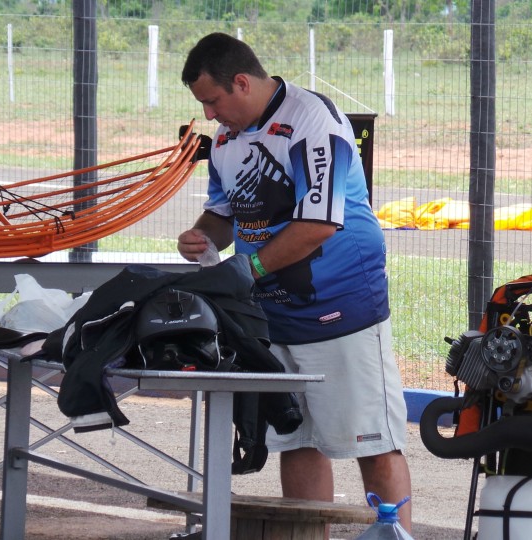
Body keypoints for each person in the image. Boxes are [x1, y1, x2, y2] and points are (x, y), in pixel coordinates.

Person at [176, 32, 413, 533]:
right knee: (295, 438)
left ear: (241, 82)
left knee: (372, 443)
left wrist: (249, 270)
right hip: (270, 316)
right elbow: (223, 213)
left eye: (213, 101)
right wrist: (201, 237)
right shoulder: (226, 139)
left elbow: (320, 223)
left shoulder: (312, 122)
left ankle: (396, 532)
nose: (211, 115)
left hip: (341, 308)